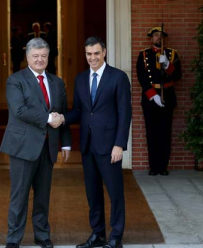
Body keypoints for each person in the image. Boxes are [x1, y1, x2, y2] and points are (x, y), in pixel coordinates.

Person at [58, 36, 132, 248]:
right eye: (89, 54)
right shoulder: (81, 79)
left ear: (104, 52)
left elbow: (124, 113)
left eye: (97, 53)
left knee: (115, 192)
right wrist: (63, 118)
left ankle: (116, 236)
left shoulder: (117, 77)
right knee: (93, 193)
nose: (93, 58)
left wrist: (119, 144)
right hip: (88, 146)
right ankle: (98, 234)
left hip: (110, 146)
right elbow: (80, 111)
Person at [0, 38, 71, 248]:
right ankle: (13, 239)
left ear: (48, 57)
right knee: (19, 196)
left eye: (44, 56)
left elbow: (63, 113)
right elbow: (19, 110)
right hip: (23, 147)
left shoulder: (57, 82)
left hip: (48, 147)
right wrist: (49, 118)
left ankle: (42, 235)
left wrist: (65, 144)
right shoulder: (15, 80)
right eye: (35, 56)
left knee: (43, 196)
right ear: (27, 57)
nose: (40, 60)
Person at [136, 27, 182, 176]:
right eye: (156, 35)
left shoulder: (172, 54)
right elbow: (142, 77)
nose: (158, 38)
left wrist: (168, 65)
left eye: (161, 36)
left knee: (165, 133)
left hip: (167, 96)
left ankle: (163, 166)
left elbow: (178, 76)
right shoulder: (143, 55)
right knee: (152, 132)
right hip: (150, 98)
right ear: (151, 38)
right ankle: (153, 166)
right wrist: (152, 95)